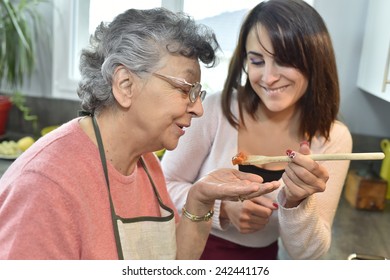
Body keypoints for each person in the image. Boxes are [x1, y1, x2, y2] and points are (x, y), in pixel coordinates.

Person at [0, 8, 280, 260]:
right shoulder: (44, 186)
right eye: (185, 89)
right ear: (125, 85)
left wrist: (200, 198)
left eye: (198, 93)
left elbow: (174, 262)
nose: (198, 109)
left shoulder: (147, 165)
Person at [161, 0, 352, 260]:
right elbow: (162, 187)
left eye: (285, 60)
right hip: (185, 250)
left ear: (315, 60)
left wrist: (296, 203)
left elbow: (309, 254)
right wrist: (222, 208)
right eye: (257, 61)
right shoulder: (216, 109)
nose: (269, 77)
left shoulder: (333, 138)